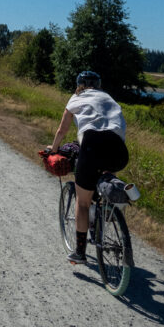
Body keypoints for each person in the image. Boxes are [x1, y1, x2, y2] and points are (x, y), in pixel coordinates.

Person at [45, 70, 128, 265]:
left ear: (78, 85)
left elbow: (62, 129)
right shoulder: (108, 98)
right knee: (106, 182)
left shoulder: (77, 97)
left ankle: (80, 253)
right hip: (119, 150)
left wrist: (53, 149)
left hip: (92, 146)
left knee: (83, 203)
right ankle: (108, 213)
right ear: (98, 85)